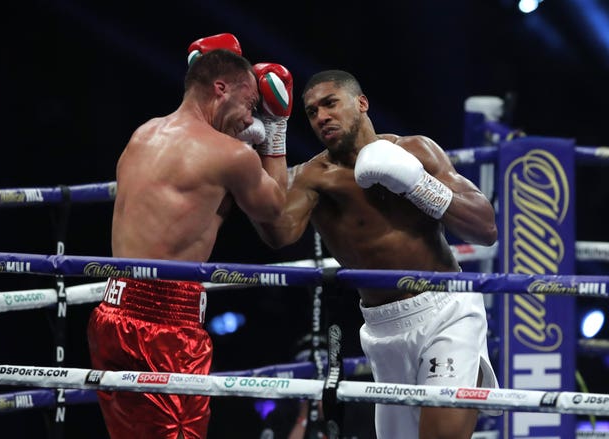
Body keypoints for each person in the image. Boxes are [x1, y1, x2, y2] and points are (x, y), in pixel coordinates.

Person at [253, 69, 500, 439]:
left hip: (447, 311)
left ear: (361, 103)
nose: (321, 117)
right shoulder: (313, 178)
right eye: (311, 112)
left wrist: (418, 185)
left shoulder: (415, 150)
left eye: (330, 103)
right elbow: (279, 234)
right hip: (383, 329)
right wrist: (269, 140)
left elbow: (486, 230)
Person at [86, 33, 293, 439]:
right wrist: (278, 126)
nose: (251, 118)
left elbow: (193, 206)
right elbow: (276, 213)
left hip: (111, 312)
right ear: (221, 88)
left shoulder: (143, 134)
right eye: (251, 104)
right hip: (165, 323)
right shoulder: (230, 156)